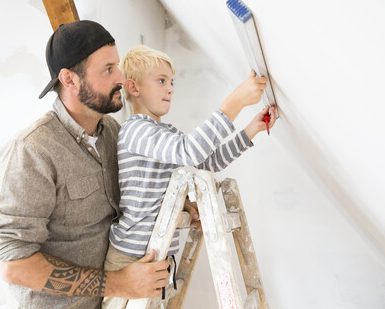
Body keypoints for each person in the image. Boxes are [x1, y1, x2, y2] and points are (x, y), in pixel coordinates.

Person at [0, 21, 178, 309]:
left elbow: (140, 189)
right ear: (69, 79)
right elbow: (15, 265)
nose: (121, 77)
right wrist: (119, 283)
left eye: (118, 65)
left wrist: (182, 204)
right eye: (107, 69)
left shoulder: (114, 132)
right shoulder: (30, 151)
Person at [103, 45, 276, 306]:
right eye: (161, 81)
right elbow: (190, 152)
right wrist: (235, 101)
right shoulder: (135, 130)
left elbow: (206, 161)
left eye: (172, 82)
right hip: (130, 259)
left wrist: (250, 130)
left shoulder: (164, 133)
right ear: (134, 88)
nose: (170, 88)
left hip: (157, 254)